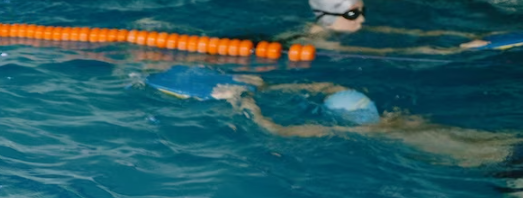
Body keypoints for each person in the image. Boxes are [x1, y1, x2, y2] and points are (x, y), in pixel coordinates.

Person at [212, 77, 521, 170]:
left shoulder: (357, 130)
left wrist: (246, 101)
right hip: (507, 142)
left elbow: (278, 130)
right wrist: (267, 87)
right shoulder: (399, 117)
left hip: (498, 165)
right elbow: (329, 86)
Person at [288, 0, 489, 54]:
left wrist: (464, 34)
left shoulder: (335, 27)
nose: (362, 20)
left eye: (362, 12)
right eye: (353, 15)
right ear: (328, 15)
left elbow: (402, 33)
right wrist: (451, 51)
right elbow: (383, 52)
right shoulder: (321, 42)